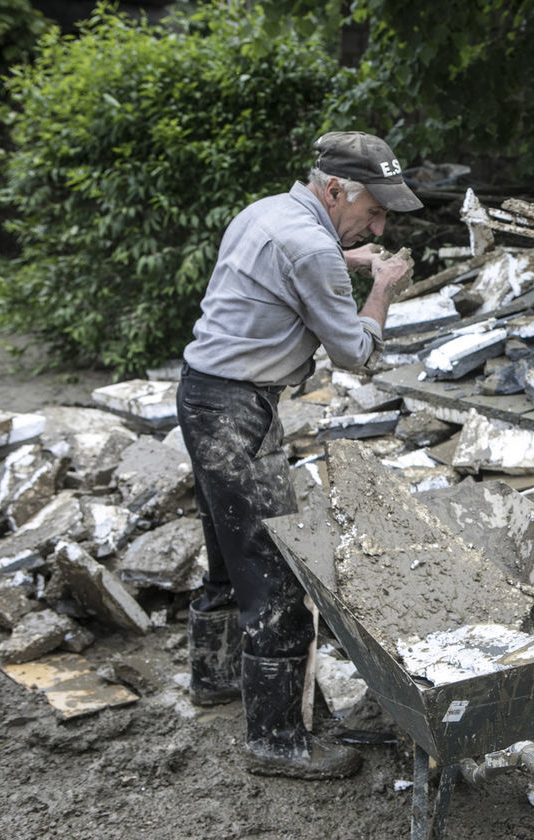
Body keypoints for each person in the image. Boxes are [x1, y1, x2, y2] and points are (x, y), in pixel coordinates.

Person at [178, 131, 420, 779]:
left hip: (202, 395)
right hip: (236, 411)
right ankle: (279, 740)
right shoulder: (312, 245)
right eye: (373, 211)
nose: (381, 223)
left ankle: (216, 679)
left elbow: (297, 269)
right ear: (334, 189)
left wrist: (352, 256)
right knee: (275, 572)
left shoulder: (267, 212)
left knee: (228, 554)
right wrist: (385, 286)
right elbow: (355, 354)